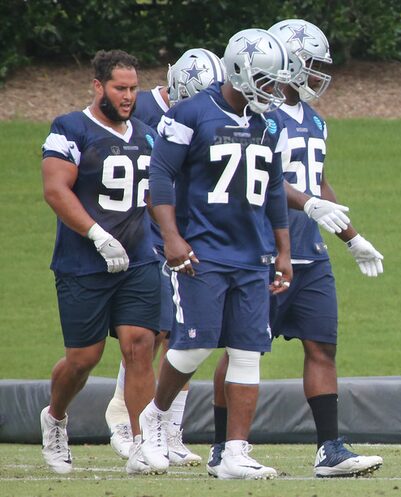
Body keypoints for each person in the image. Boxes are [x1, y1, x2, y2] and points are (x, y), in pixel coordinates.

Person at [207, 19, 384, 479]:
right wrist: (311, 204)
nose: (318, 73)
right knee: (242, 350)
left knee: (322, 348)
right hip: (266, 250)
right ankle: (222, 445)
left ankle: (330, 448)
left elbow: (316, 177)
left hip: (312, 254)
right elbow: (264, 178)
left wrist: (351, 235)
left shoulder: (315, 118)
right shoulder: (261, 117)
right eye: (311, 64)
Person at [138, 28, 294, 480]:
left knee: (248, 353)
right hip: (203, 249)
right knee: (196, 344)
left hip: (252, 253)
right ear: (241, 72)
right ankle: (154, 416)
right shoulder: (191, 113)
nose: (272, 92)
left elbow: (275, 192)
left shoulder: (268, 124)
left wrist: (282, 251)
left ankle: (234, 453)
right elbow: (161, 177)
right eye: (266, 81)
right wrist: (171, 236)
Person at [39, 49, 159, 475]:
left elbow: (156, 196)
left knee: (140, 345)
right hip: (82, 262)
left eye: (133, 88)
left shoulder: (146, 133)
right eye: (119, 88)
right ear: (98, 86)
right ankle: (54, 417)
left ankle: (144, 443)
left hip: (138, 259)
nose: (128, 96)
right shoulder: (70, 128)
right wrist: (97, 234)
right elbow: (56, 190)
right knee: (83, 358)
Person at [105, 47, 224, 465]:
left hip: (185, 231)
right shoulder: (145, 112)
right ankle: (124, 412)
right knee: (150, 333)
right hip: (148, 234)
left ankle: (170, 430)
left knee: (183, 332)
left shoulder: (206, 112)